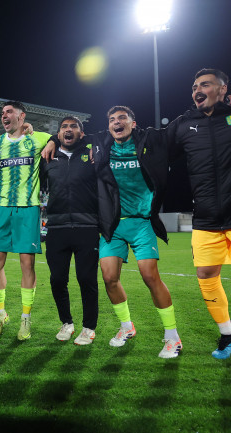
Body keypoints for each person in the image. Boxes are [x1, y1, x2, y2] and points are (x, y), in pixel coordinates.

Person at [93, 106, 180, 358]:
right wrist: (52, 141)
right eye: (112, 119)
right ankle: (126, 327)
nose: (116, 122)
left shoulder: (148, 141)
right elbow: (76, 137)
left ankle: (172, 336)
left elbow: (174, 133)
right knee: (109, 277)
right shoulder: (102, 146)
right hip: (114, 224)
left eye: (122, 118)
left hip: (141, 222)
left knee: (150, 276)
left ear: (133, 123)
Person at [165, 68, 231, 359]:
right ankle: (228, 335)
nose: (197, 90)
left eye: (205, 84)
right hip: (205, 218)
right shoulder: (183, 124)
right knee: (206, 275)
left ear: (222, 89)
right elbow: (152, 145)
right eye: (194, 87)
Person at [0, 101, 51, 340]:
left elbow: (59, 139)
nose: (4, 116)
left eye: (9, 112)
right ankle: (0, 315)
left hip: (28, 209)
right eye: (2, 113)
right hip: (1, 209)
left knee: (27, 264)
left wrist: (47, 139)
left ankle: (25, 319)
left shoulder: (38, 138)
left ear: (21, 115)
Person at [40, 116, 99, 345]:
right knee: (57, 280)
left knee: (86, 279)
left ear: (81, 134)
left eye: (74, 126)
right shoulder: (48, 157)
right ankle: (67, 323)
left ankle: (89, 327)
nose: (68, 129)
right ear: (58, 134)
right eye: (64, 127)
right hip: (57, 228)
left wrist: (92, 143)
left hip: (87, 227)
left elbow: (107, 137)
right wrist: (52, 141)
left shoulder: (91, 154)